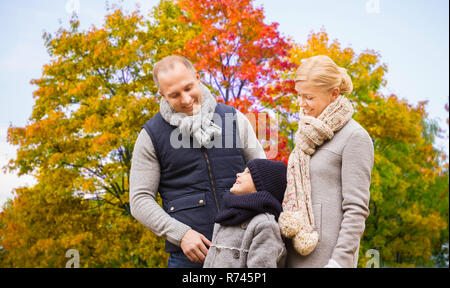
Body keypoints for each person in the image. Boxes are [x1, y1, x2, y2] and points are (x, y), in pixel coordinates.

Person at [129, 55, 266, 268]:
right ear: (162, 94)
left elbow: (263, 175)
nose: (185, 99)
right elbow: (139, 199)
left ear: (198, 77)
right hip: (191, 259)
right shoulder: (151, 136)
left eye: (188, 88)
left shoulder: (233, 118)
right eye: (174, 95)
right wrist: (181, 234)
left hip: (247, 249)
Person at [278, 55, 374, 268]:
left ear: (334, 94)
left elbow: (356, 209)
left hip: (326, 260)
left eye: (309, 98)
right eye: (299, 96)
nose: (302, 104)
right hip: (293, 254)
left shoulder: (355, 137)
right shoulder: (307, 135)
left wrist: (339, 262)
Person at [203, 159, 287, 268]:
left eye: (248, 172)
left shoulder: (265, 224)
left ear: (262, 184)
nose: (238, 174)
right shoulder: (225, 217)